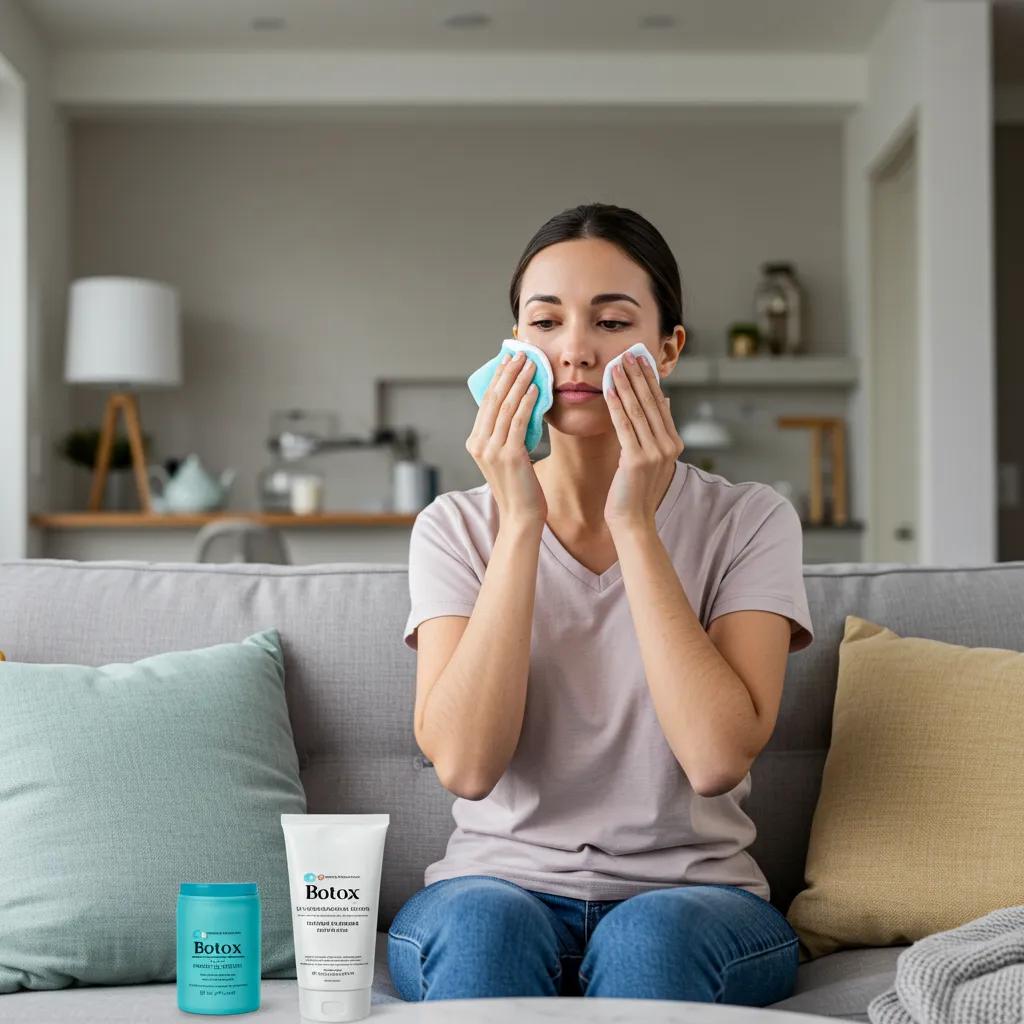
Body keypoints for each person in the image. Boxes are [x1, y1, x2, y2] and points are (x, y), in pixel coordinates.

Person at [391, 202, 814, 1005]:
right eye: (544, 322)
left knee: (650, 938)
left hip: (694, 901)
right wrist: (519, 522)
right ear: (514, 347)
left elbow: (717, 757)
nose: (576, 351)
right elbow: (468, 767)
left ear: (668, 349)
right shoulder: (454, 527)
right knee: (485, 930)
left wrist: (635, 524)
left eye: (613, 322)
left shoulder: (751, 520)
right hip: (493, 890)